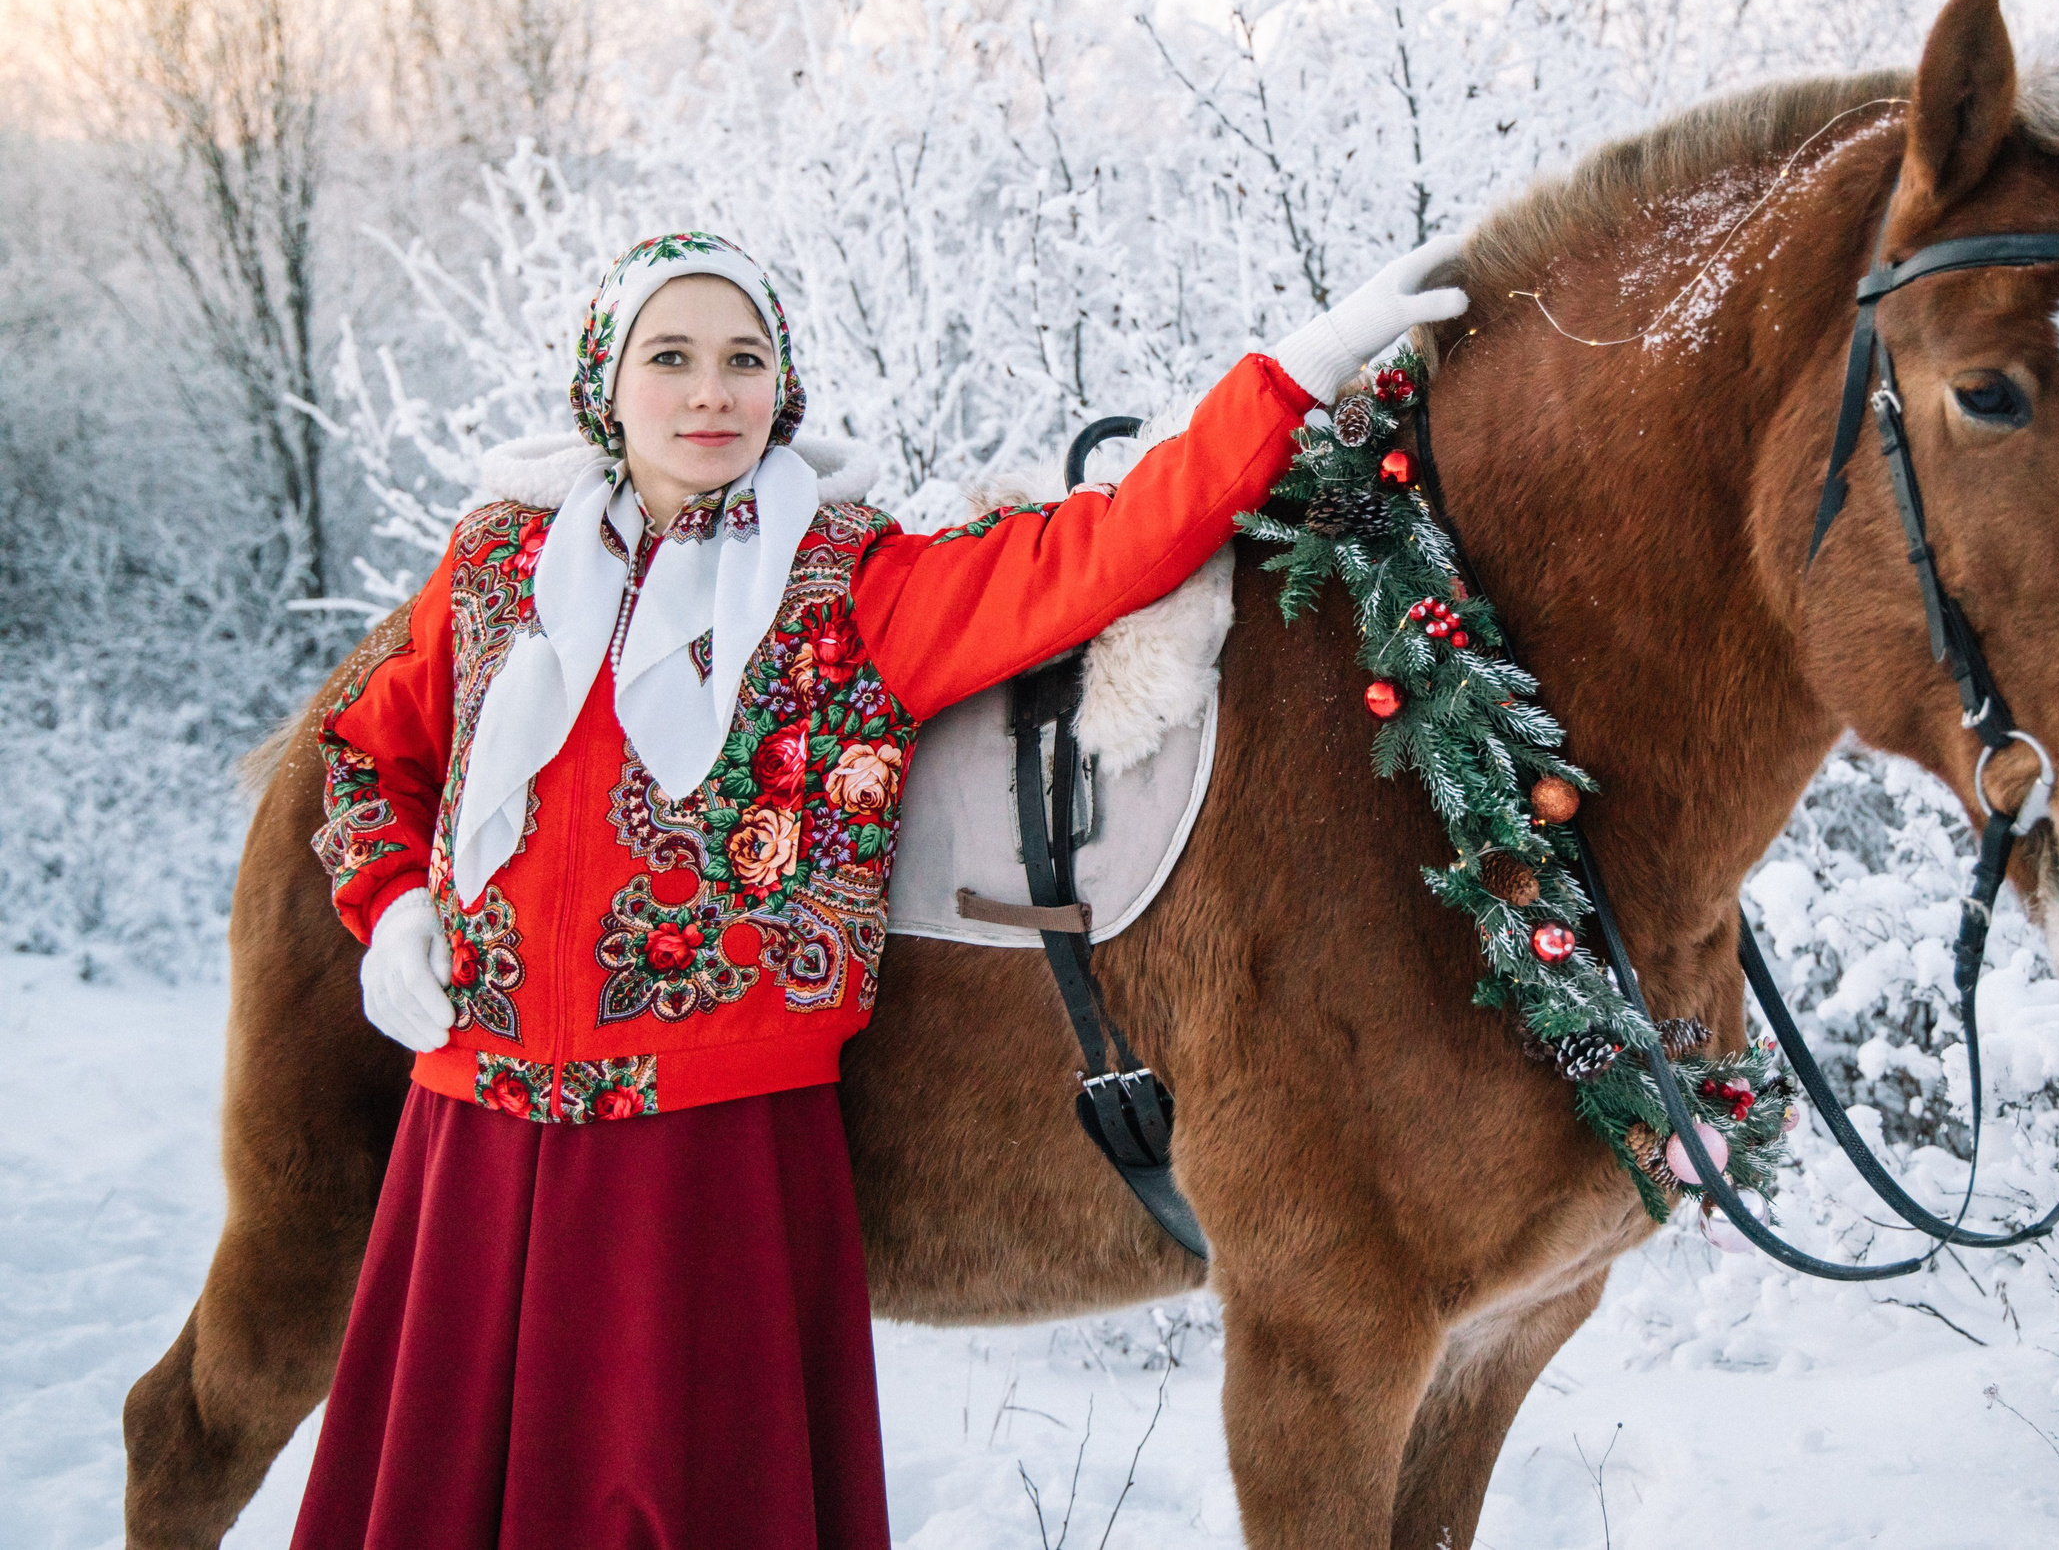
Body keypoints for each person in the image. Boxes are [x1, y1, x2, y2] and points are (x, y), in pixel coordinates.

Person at [287, 229, 1465, 1549]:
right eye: (669, 359)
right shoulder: (500, 571)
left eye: (744, 361)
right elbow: (365, 750)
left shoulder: (855, 590)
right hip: (484, 1143)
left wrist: (1289, 376)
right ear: (604, 389)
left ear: (780, 388)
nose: (710, 393)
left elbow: (1115, 547)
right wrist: (388, 902)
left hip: (714, 1159)